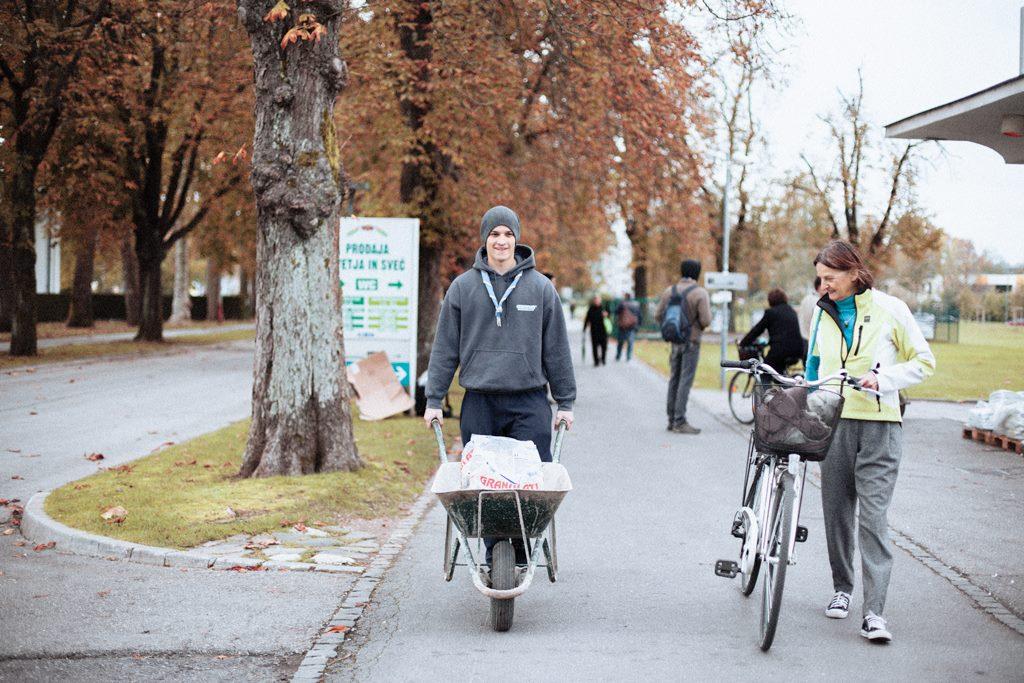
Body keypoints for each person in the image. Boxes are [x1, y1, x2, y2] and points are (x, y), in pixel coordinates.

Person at [423, 205, 576, 567]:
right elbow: (445, 348)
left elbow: (556, 349)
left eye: (508, 234)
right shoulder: (463, 288)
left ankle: (521, 547)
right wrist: (434, 399)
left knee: (528, 480)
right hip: (480, 401)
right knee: (484, 483)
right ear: (485, 240)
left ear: (516, 239)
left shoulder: (541, 289)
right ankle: (495, 551)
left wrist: (565, 402)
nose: (501, 241)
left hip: (529, 401)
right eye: (494, 234)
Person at [806, 240, 935, 643]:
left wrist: (885, 379)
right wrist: (808, 397)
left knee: (873, 519)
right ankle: (842, 589)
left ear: (854, 272)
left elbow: (924, 361)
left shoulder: (890, 309)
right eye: (821, 278)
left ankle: (874, 612)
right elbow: (814, 364)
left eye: (831, 278)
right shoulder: (821, 312)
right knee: (836, 512)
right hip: (834, 422)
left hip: (880, 427)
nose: (824, 286)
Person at [655, 259, 711, 434]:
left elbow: (658, 315)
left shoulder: (669, 291)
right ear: (697, 273)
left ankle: (671, 420)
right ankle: (680, 421)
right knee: (685, 380)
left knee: (674, 379)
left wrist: (673, 327)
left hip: (675, 342)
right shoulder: (700, 293)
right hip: (691, 342)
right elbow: (706, 320)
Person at [738, 288, 804, 375]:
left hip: (780, 351)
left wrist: (743, 343)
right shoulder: (791, 311)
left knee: (764, 370)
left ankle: (766, 383)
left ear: (770, 300)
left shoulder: (771, 313)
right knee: (778, 372)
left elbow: (757, 330)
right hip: (798, 350)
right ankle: (782, 382)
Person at [614, 293, 642, 361]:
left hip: (622, 326)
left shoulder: (622, 304)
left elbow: (616, 312)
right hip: (632, 326)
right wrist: (638, 325)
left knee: (620, 342)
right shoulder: (636, 304)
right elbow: (640, 316)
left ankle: (618, 355)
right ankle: (628, 356)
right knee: (630, 342)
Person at [798, 276, 827, 342]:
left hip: (804, 337)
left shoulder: (806, 299)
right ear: (819, 286)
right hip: (814, 339)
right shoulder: (818, 302)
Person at [582, 294, 608, 366]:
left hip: (603, 330)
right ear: (594, 301)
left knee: (604, 346)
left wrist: (606, 315)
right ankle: (596, 361)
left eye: (598, 300)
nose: (596, 301)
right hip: (594, 331)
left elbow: (609, 317)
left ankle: (603, 359)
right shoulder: (591, 309)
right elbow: (587, 319)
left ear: (600, 300)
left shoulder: (603, 308)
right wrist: (584, 328)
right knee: (594, 346)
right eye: (595, 300)